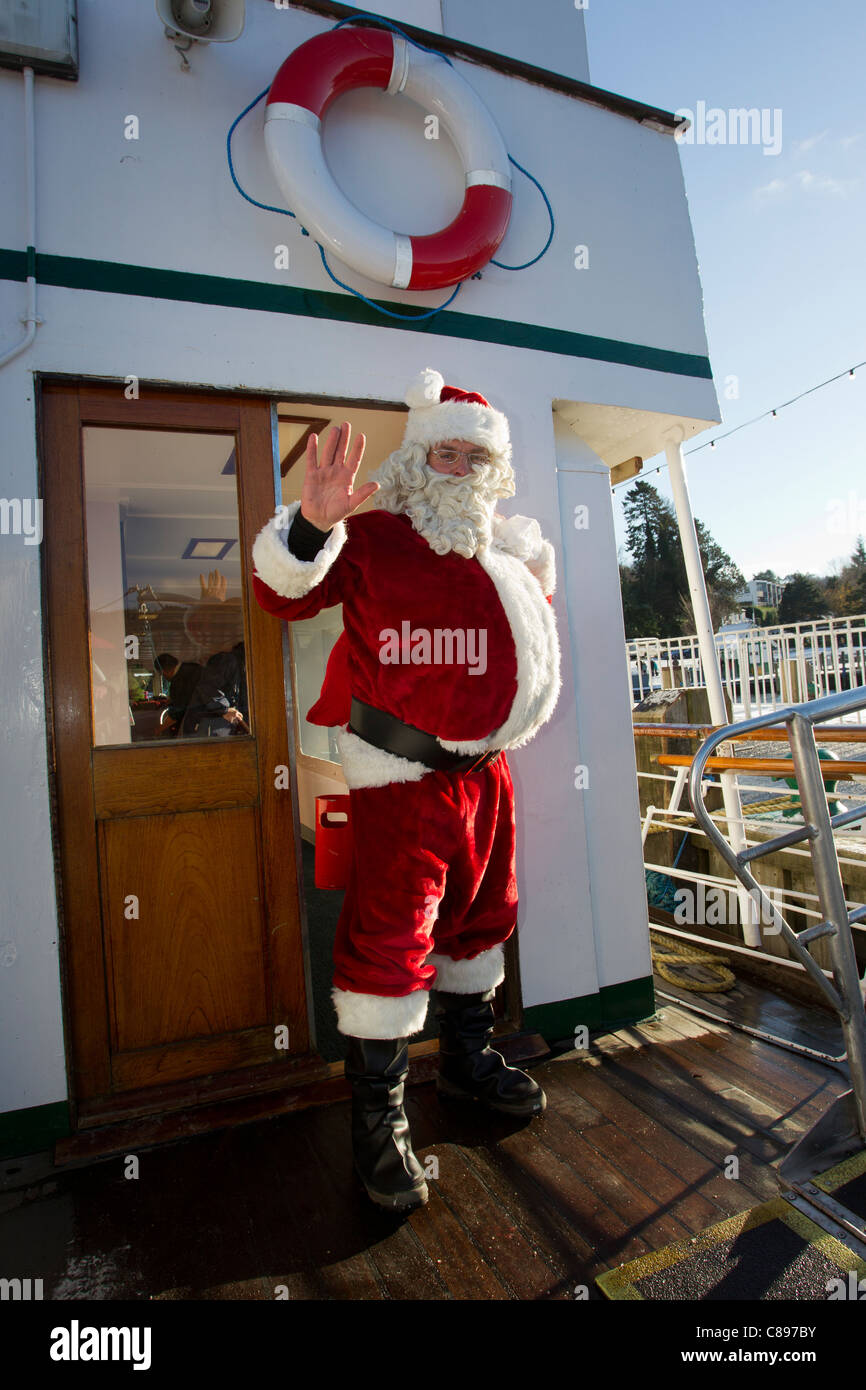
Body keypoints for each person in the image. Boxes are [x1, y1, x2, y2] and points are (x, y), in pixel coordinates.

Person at [250, 368, 561, 1211]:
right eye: (444, 451)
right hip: (403, 781)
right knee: (392, 941)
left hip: (485, 779)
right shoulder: (375, 535)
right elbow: (281, 593)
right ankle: (378, 1123)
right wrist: (311, 527)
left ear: (491, 467)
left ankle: (466, 1064)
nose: (457, 466)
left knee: (480, 922)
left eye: (473, 454)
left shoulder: (502, 549)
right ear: (418, 457)